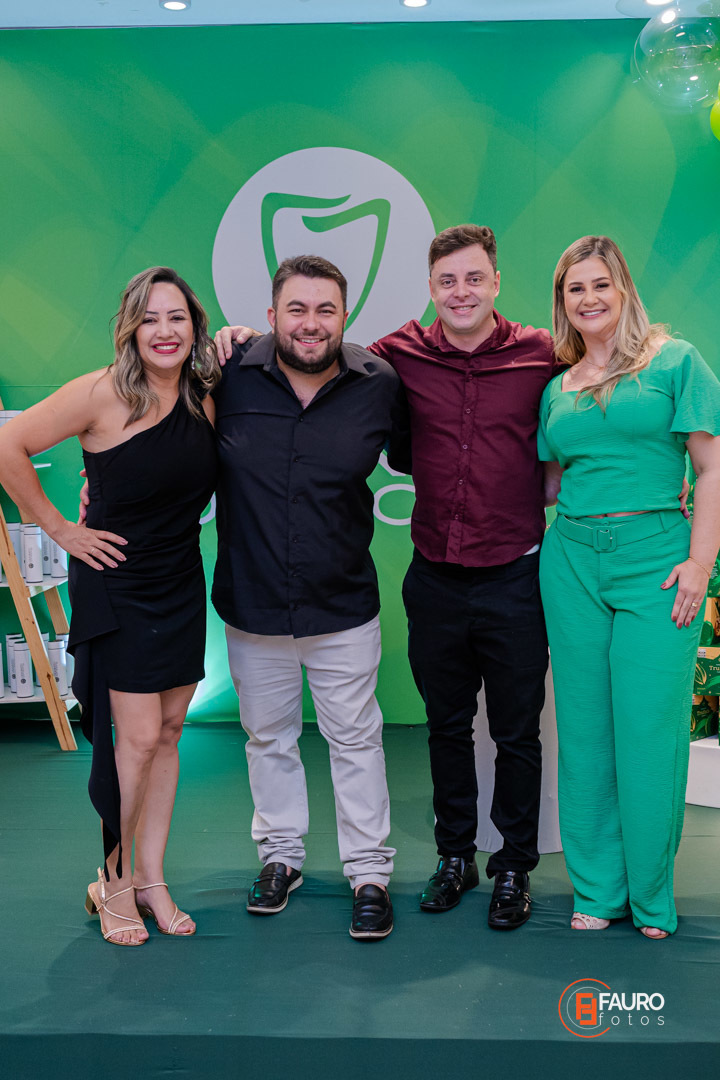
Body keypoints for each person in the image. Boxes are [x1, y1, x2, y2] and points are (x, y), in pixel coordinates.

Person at [217, 225, 558, 930]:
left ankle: (496, 868)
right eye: (447, 281)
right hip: (415, 579)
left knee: (511, 733)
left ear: (496, 282)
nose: (460, 292)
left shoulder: (531, 355)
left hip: (498, 577)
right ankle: (448, 857)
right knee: (440, 727)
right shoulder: (377, 360)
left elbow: (596, 393)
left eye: (474, 278)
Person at [0, 267, 219, 945]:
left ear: (195, 326)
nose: (164, 331)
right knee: (140, 738)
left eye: (177, 317)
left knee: (171, 731)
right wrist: (60, 529)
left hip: (180, 579)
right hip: (116, 581)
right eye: (150, 318)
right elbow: (7, 445)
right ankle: (114, 880)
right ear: (130, 328)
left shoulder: (206, 398)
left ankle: (151, 879)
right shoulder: (101, 393)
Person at [213, 255, 408, 940]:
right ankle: (281, 859)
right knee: (268, 738)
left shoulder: (379, 383)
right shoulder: (227, 373)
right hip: (253, 600)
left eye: (326, 310)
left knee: (356, 741)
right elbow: (164, 439)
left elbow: (430, 455)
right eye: (296, 309)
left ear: (345, 316)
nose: (311, 323)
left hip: (342, 602)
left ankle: (370, 874)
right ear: (271, 316)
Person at [538, 235, 720, 938]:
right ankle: (596, 891)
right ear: (562, 303)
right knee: (584, 731)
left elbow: (711, 469)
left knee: (648, 730)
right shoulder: (558, 388)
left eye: (599, 284)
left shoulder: (675, 362)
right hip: (573, 563)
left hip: (657, 563)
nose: (588, 299)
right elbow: (553, 482)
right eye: (574, 289)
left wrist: (700, 563)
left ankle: (650, 897)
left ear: (623, 290)